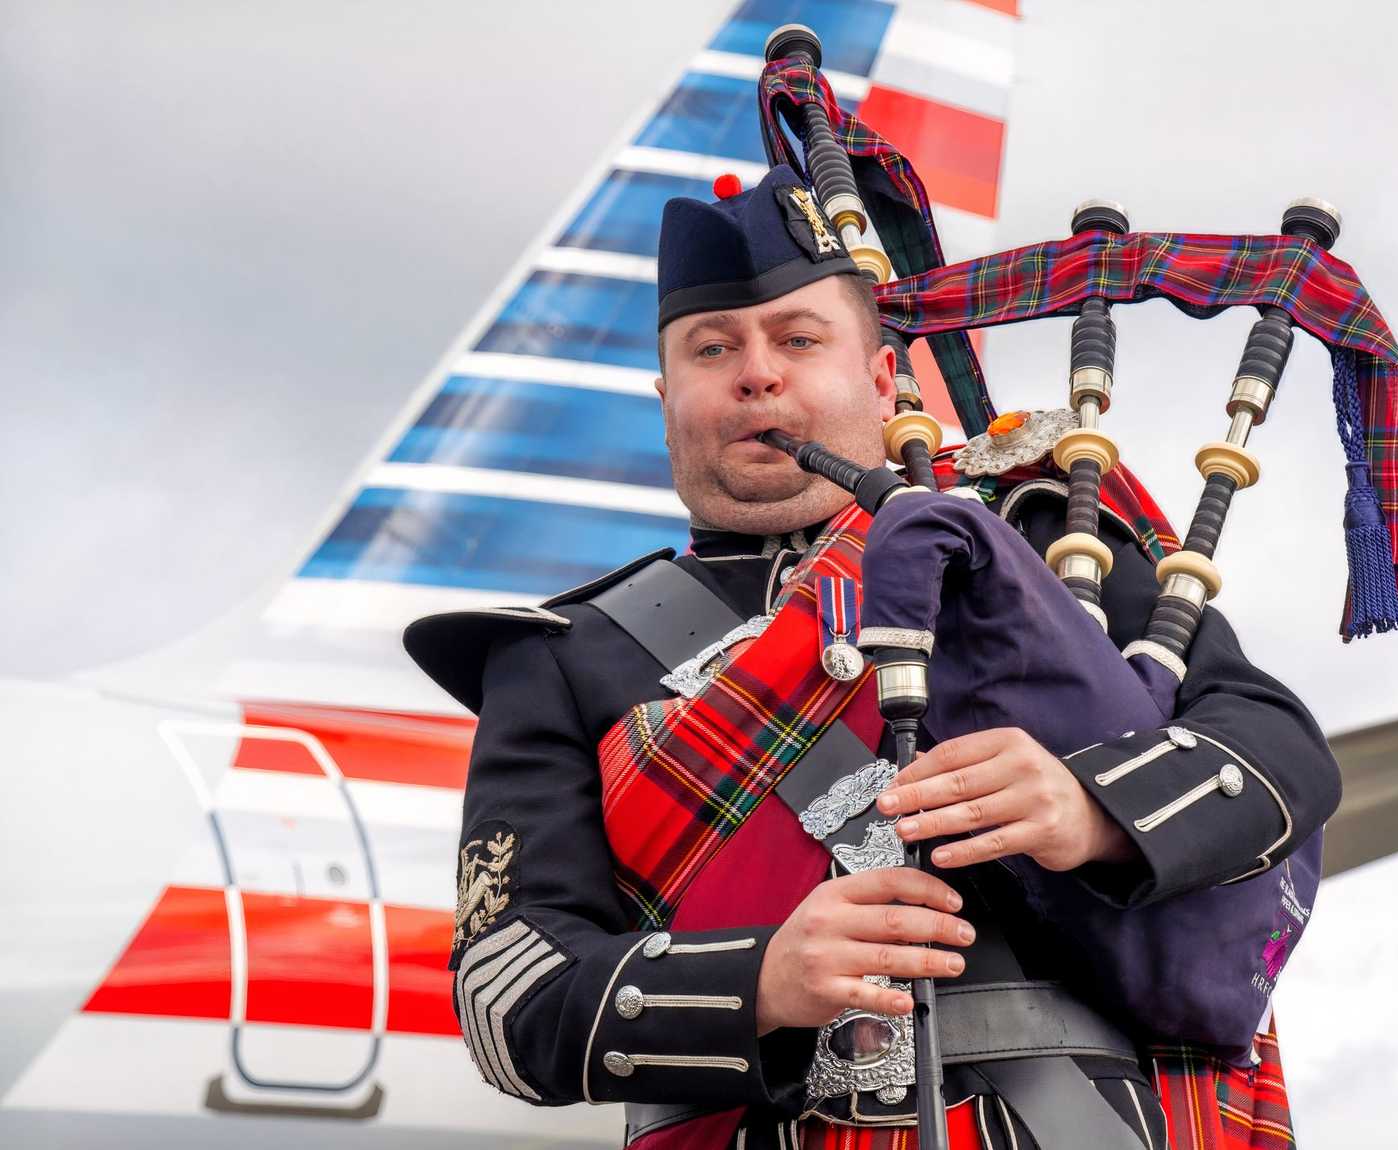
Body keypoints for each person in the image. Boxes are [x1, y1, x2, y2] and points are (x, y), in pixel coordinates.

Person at [405, 164, 1341, 1150]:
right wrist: (760, 981)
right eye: (712, 348)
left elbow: (1281, 749)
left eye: (799, 340)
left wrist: (1093, 808)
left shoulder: (1032, 538)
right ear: (666, 396)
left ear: (883, 380)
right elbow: (508, 1000)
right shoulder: (559, 657)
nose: (757, 373)